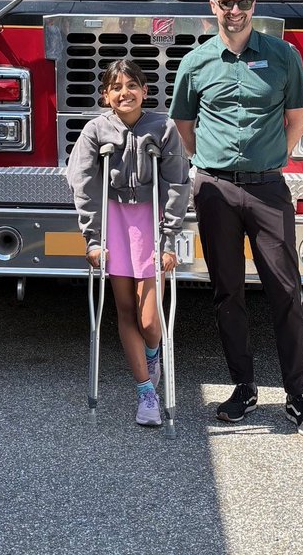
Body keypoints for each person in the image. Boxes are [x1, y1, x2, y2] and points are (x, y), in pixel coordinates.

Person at [170, 0, 303, 438]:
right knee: (227, 292)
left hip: (267, 189)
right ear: (212, 9)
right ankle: (243, 387)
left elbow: (296, 118)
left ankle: (298, 397)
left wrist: (273, 156)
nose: (234, 11)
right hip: (215, 190)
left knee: (286, 290)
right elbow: (184, 124)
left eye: (242, 3)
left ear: (253, 7)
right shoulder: (195, 63)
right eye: (225, 3)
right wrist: (207, 162)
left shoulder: (283, 57)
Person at [67, 59, 191, 426]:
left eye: (132, 85)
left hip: (150, 224)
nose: (125, 93)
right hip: (114, 222)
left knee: (149, 318)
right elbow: (85, 186)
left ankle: (153, 354)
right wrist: (92, 239)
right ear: (105, 96)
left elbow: (177, 185)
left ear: (145, 91)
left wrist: (169, 239)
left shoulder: (163, 128)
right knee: (124, 311)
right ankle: (145, 393)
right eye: (116, 87)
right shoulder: (95, 130)